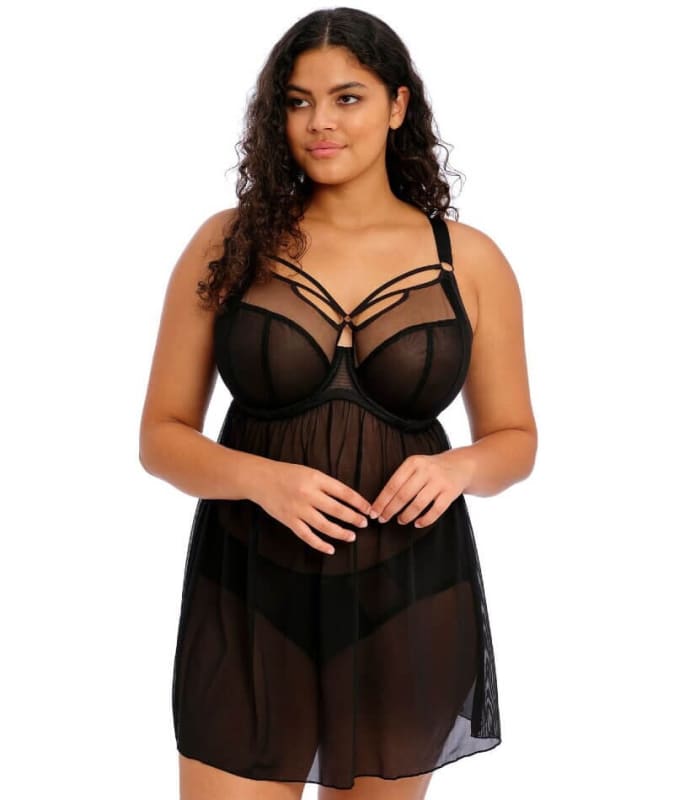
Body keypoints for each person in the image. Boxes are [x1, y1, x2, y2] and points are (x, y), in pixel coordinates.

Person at [139, 7, 537, 800]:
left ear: (397, 106)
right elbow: (160, 436)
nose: (320, 122)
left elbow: (515, 439)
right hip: (249, 590)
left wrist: (459, 467)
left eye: (347, 98)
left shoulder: (468, 260)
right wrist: (261, 479)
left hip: (408, 592)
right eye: (298, 101)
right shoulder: (228, 244)